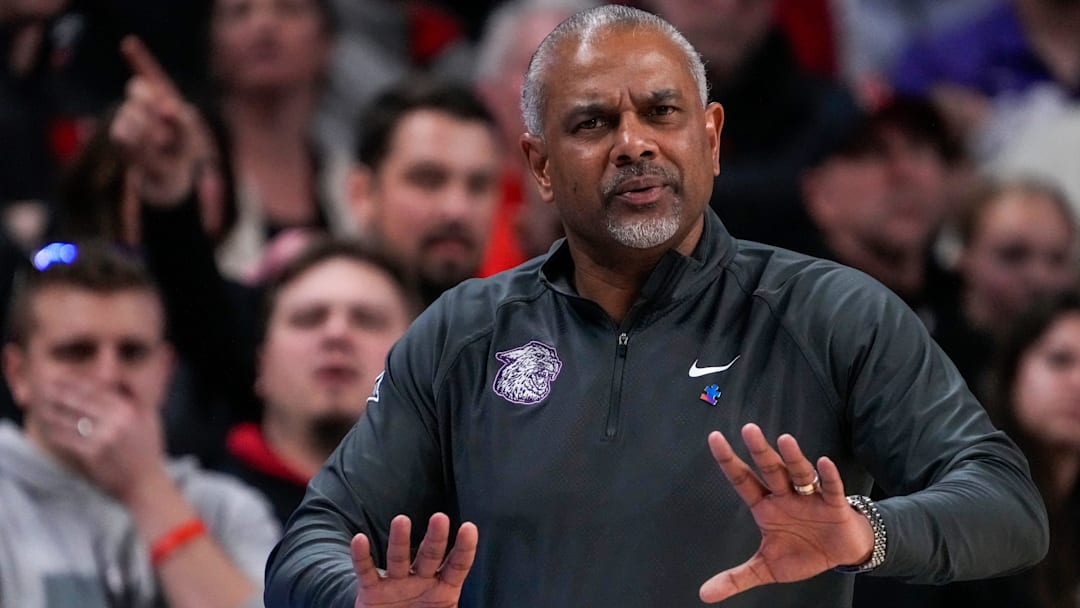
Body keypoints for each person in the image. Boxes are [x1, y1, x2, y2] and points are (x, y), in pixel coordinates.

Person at [257, 6, 1046, 606]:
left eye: (662, 113)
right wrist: (358, 597)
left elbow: (1007, 506)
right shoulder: (463, 333)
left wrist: (866, 531)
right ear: (538, 164)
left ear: (710, 135)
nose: (633, 143)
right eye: (592, 122)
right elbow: (310, 543)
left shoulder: (831, 314)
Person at [0, 241, 280, 607]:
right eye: (77, 351)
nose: (107, 376)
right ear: (18, 374)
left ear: (164, 372)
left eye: (132, 353)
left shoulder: (226, 509)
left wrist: (146, 488)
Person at [220, 238, 417, 526]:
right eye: (308, 319)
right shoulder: (200, 509)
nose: (336, 333)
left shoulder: (466, 508)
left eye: (367, 320)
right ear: (261, 365)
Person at [348, 79, 502, 306]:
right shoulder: (326, 330)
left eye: (478, 186)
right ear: (363, 193)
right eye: (428, 181)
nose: (457, 209)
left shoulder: (529, 331)